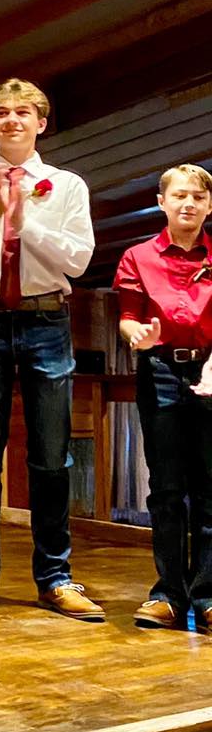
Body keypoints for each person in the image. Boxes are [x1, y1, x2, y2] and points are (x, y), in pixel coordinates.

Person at [0, 79, 100, 621]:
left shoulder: (68, 186)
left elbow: (77, 262)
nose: (12, 120)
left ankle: (55, 576)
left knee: (51, 454)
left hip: (45, 320)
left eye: (24, 112)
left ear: (41, 122)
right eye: (2, 113)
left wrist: (24, 219)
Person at [113, 163, 212, 634]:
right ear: (162, 202)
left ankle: (209, 596)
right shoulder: (138, 256)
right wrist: (140, 337)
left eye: (197, 197)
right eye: (179, 196)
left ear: (209, 206)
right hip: (161, 369)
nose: (188, 203)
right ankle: (168, 595)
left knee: (210, 490)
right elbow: (128, 317)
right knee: (167, 489)